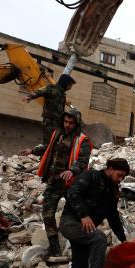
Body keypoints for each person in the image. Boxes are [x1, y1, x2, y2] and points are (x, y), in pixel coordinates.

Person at [22, 108, 91, 257]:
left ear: (76, 124)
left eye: (71, 123)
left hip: (71, 184)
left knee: (80, 215)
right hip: (54, 182)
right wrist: (33, 150)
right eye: (66, 121)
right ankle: (55, 250)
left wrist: (72, 170)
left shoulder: (82, 140)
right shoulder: (57, 134)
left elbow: (82, 160)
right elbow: (49, 148)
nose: (67, 125)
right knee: (47, 215)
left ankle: (82, 247)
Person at [60, 158, 129, 268]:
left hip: (86, 230)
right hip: (71, 222)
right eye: (119, 175)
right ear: (110, 169)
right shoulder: (90, 176)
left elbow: (113, 216)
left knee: (80, 264)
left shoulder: (111, 190)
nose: (120, 179)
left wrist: (123, 240)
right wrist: (84, 215)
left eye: (123, 177)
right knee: (99, 238)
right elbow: (73, 192)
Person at [23, 73, 75, 144]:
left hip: (58, 121)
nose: (70, 88)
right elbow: (39, 92)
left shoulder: (62, 94)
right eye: (70, 85)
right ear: (65, 83)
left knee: (55, 142)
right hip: (49, 121)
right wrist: (30, 97)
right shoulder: (51, 88)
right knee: (48, 143)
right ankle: (45, 154)